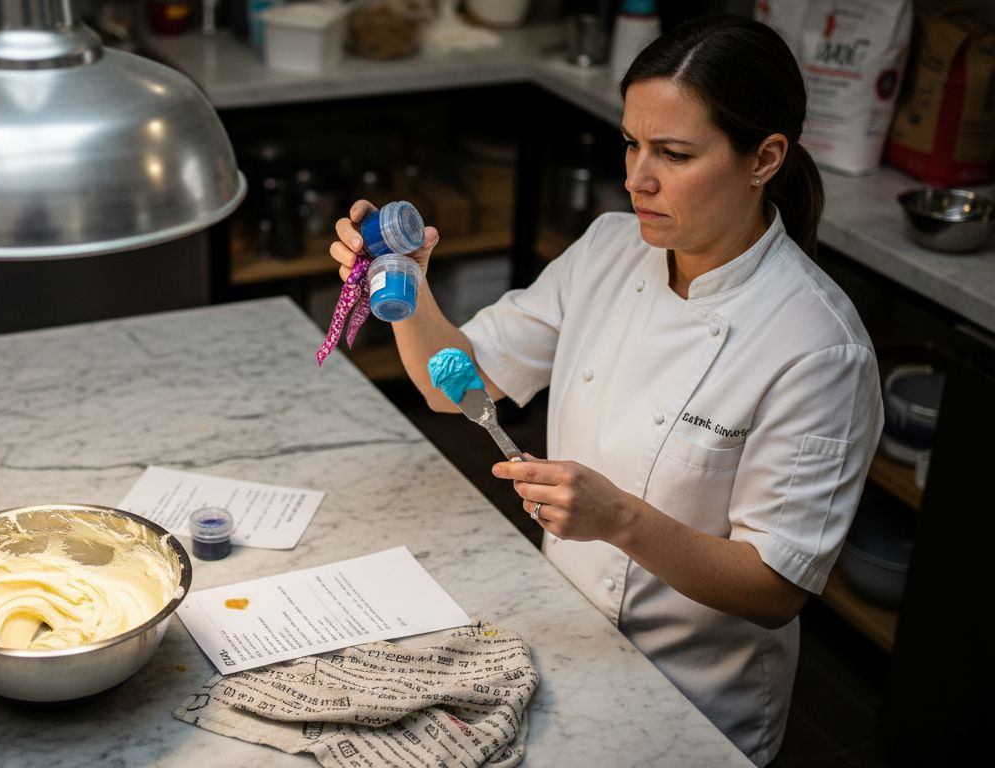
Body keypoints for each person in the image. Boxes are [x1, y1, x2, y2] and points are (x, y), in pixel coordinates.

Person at [329, 14, 883, 767]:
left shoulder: (819, 347)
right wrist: (407, 286)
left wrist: (619, 519)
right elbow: (455, 384)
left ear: (765, 158)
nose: (637, 178)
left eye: (674, 154)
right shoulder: (608, 249)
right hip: (561, 641)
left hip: (694, 708)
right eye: (631, 143)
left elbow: (774, 588)